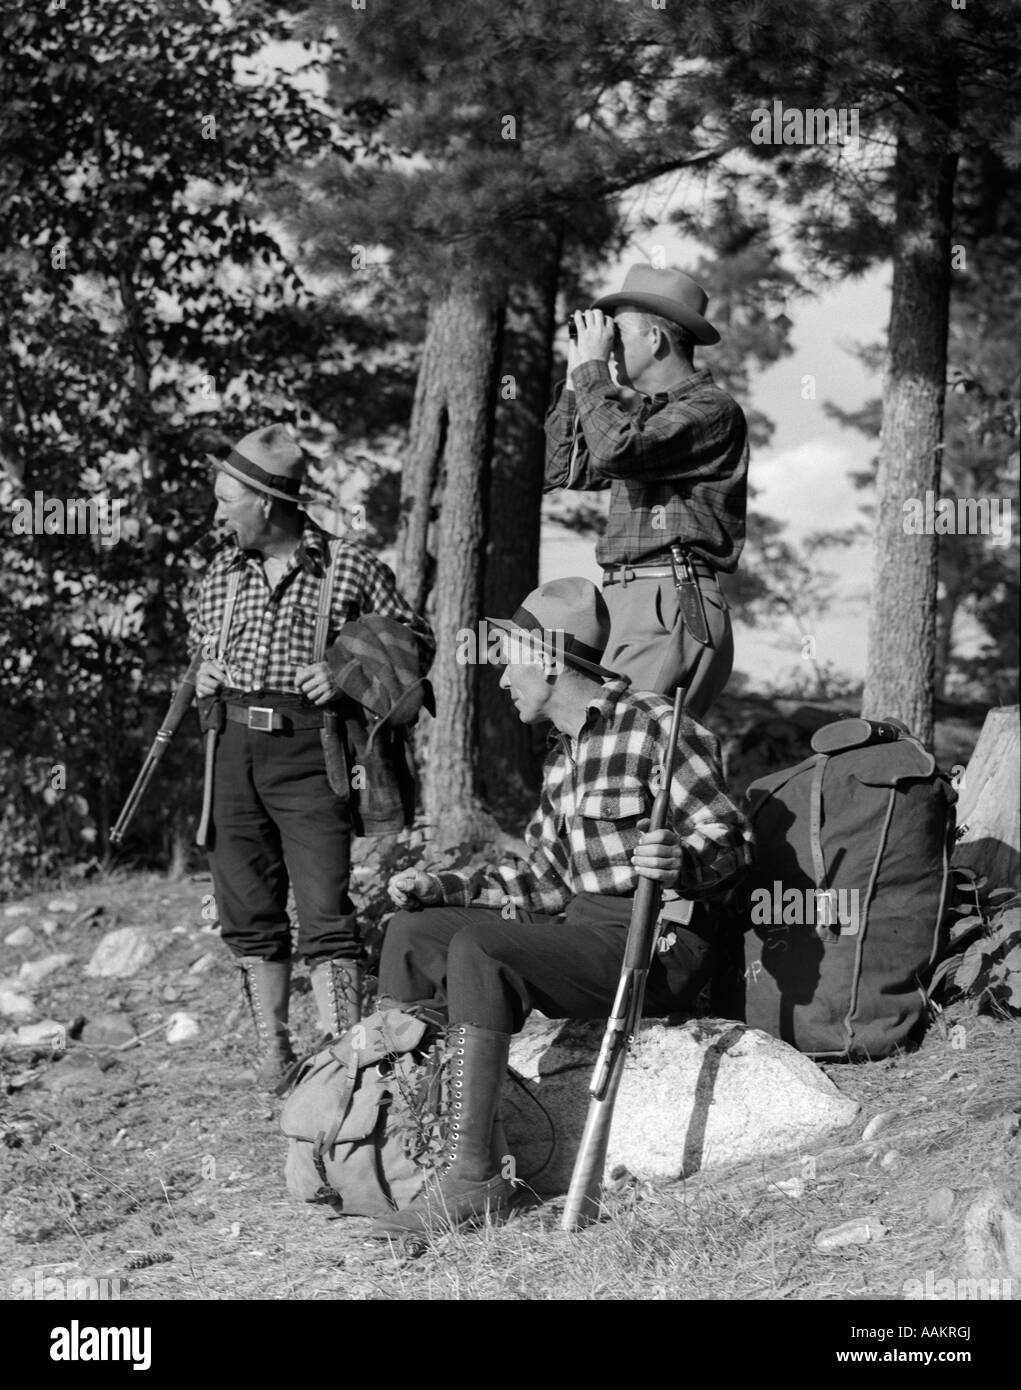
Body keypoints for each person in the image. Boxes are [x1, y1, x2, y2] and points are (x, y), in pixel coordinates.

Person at [368, 577, 751, 1238]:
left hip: (654, 944)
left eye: (509, 659)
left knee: (482, 951)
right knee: (415, 934)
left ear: (546, 660)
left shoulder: (658, 726)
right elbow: (542, 883)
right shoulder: (561, 758)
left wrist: (682, 862)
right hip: (583, 928)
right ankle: (400, 1147)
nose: (500, 680)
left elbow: (731, 843)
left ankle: (475, 1179)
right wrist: (443, 889)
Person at [189, 423, 434, 1090]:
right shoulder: (221, 572)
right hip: (229, 746)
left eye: (226, 501)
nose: (218, 515)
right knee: (246, 907)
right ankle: (274, 1050)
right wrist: (206, 671)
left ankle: (339, 1057)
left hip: (311, 750)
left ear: (266, 503)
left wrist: (345, 671)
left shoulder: (350, 567)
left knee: (324, 909)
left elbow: (414, 644)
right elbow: (200, 640)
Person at [544, 263, 749, 720]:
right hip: (629, 602)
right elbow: (560, 472)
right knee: (617, 762)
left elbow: (618, 452)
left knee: (620, 743)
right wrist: (578, 381)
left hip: (665, 600)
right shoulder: (643, 420)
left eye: (617, 336)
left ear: (655, 339)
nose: (609, 348)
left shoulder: (711, 411)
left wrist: (595, 372)